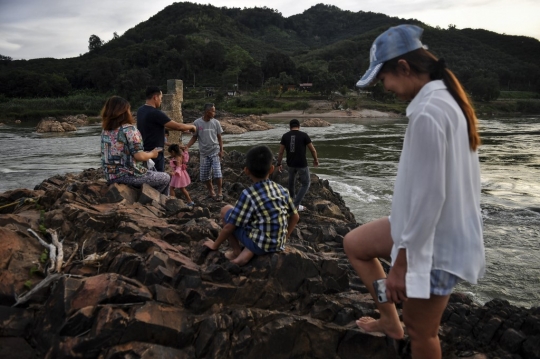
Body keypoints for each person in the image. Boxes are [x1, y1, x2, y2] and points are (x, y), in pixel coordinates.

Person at [343, 24, 485, 359]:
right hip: (423, 229)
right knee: (355, 244)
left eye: (384, 79)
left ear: (403, 68)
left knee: (423, 334)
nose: (386, 87)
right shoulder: (445, 100)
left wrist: (401, 265)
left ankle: (399, 323)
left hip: (434, 243)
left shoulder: (428, 112)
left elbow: (430, 197)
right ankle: (390, 320)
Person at [203, 145, 300, 266]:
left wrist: (214, 245)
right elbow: (295, 217)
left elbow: (230, 227)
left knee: (226, 210)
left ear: (246, 170)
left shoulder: (248, 194)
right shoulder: (282, 190)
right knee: (258, 218)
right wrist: (285, 238)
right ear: (271, 169)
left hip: (260, 244)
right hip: (278, 244)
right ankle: (248, 252)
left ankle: (237, 252)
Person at [100, 96, 170, 195]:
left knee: (151, 169)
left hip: (110, 176)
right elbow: (139, 156)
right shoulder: (129, 130)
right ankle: (155, 202)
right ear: (125, 111)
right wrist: (152, 154)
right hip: (127, 176)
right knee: (165, 178)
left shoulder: (105, 131)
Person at [137, 86, 196, 172]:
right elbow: (178, 126)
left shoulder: (140, 110)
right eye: (161, 98)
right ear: (155, 97)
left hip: (144, 152)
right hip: (156, 153)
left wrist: (182, 130)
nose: (161, 100)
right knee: (159, 181)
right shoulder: (156, 113)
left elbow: (157, 126)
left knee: (148, 179)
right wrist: (192, 127)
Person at [276, 119, 319, 211]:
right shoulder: (304, 135)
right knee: (306, 183)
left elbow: (280, 152)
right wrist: (315, 160)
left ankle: (292, 199)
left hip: (290, 164)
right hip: (302, 164)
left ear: (290, 126)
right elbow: (312, 150)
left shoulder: (285, 136)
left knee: (291, 182)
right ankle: (295, 205)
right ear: (299, 126)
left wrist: (279, 163)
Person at [185, 103, 224, 201]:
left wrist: (221, 150)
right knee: (205, 175)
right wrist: (187, 147)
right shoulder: (197, 123)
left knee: (217, 172)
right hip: (203, 153)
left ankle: (220, 192)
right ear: (207, 111)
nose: (214, 113)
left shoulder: (216, 123)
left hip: (214, 150)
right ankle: (211, 191)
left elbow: (220, 138)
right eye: (213, 111)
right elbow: (194, 137)